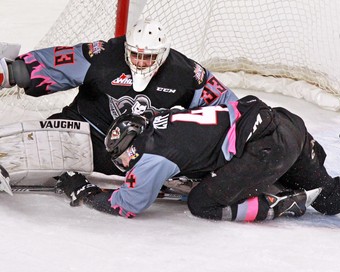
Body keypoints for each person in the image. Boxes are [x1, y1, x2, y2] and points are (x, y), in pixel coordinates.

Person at [56, 95, 340, 222]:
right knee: (331, 200)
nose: (124, 163)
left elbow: (126, 205)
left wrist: (84, 193)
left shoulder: (152, 157)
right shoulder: (159, 118)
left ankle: (279, 205)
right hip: (285, 123)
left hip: (268, 145)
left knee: (202, 203)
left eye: (124, 156)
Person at [0, 17, 237, 176]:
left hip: (143, 151)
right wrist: (12, 72)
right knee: (31, 142)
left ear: (163, 54)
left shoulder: (188, 73)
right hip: (86, 132)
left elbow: (230, 107)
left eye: (148, 58)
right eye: (135, 55)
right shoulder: (103, 54)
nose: (141, 62)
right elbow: (56, 64)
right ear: (126, 48)